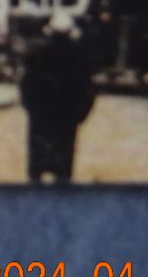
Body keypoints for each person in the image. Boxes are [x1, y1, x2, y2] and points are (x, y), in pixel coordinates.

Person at [19, 11, 97, 184]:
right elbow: (87, 89)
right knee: (63, 168)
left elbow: (26, 85)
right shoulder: (79, 56)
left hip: (41, 116)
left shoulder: (35, 54)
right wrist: (80, 115)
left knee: (37, 167)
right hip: (66, 117)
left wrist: (30, 109)